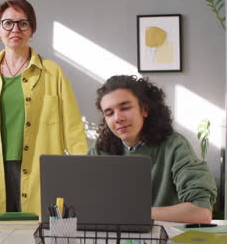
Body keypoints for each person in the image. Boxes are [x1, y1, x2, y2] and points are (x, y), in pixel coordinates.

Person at [0, 0, 88, 214]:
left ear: (31, 30)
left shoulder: (52, 73)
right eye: (8, 23)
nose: (15, 29)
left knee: (36, 232)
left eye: (23, 23)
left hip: (39, 173)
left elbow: (72, 129)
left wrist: (84, 172)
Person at [88, 75, 217, 223]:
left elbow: (200, 212)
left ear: (144, 110)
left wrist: (133, 213)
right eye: (109, 113)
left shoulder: (174, 145)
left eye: (125, 108)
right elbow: (86, 203)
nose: (117, 118)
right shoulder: (99, 149)